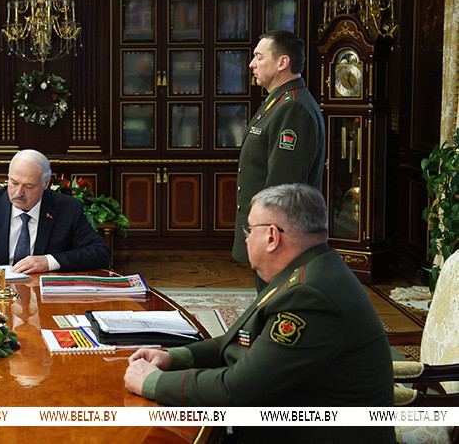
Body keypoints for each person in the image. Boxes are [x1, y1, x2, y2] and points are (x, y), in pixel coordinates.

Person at [124, 184, 394, 443]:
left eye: (250, 229)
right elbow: (241, 341)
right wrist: (173, 357)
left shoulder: (309, 296)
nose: (246, 237)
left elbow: (237, 390)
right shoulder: (309, 270)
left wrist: (154, 382)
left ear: (272, 237)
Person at [235, 30, 326, 292]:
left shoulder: (293, 107)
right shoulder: (278, 102)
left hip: (278, 239)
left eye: (259, 57)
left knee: (277, 301)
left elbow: (282, 186)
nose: (252, 64)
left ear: (282, 63)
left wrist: (266, 235)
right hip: (268, 233)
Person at [0, 149, 110, 274]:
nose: (18, 193)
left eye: (28, 186)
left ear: (46, 184)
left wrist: (48, 262)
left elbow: (100, 253)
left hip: (43, 296)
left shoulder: (67, 209)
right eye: (13, 183)